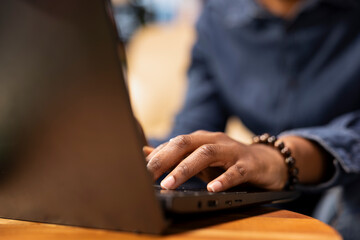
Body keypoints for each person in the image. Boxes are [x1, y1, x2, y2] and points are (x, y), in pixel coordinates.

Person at [143, 0, 360, 239]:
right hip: (266, 198)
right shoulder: (217, 19)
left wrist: (278, 156)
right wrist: (137, 148)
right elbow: (194, 130)